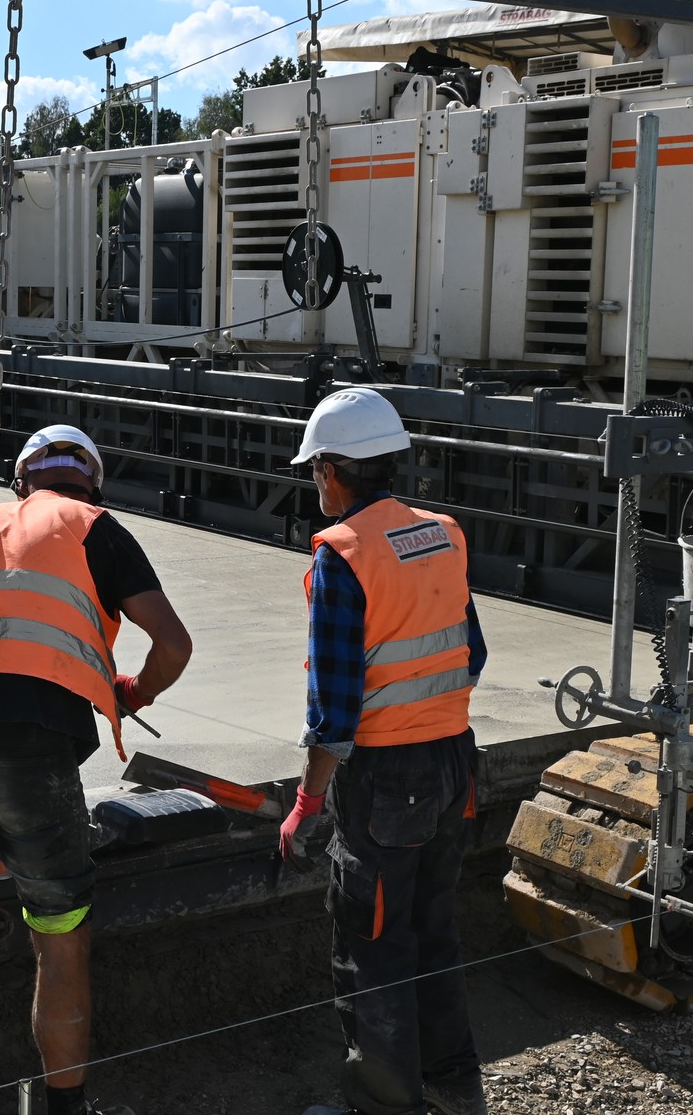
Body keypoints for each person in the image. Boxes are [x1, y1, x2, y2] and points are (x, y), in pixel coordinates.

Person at [0, 424, 193, 1115]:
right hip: (33, 753)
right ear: (91, 484)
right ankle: (65, 1109)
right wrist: (134, 693)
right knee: (60, 939)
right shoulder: (97, 527)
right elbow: (174, 643)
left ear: (20, 480)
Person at [279, 388, 490, 1115]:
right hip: (453, 765)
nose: (316, 485)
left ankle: (381, 1107)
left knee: (372, 947)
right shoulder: (444, 532)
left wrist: (307, 802)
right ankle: (457, 1092)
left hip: (385, 780)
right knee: (434, 930)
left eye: (316, 471)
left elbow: (334, 710)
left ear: (337, 471)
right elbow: (472, 654)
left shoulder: (343, 554)